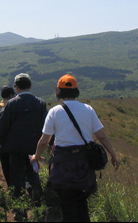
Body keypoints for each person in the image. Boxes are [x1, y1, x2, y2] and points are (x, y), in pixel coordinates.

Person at [30, 74, 120, 222]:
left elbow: (44, 142)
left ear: (58, 91)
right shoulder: (88, 109)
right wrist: (114, 156)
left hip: (62, 166)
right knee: (82, 203)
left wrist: (36, 156)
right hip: (84, 165)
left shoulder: (54, 111)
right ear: (76, 91)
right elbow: (102, 136)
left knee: (68, 206)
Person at [0, 73, 47, 205]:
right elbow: (47, 126)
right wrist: (50, 143)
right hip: (34, 147)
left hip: (15, 148)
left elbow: (3, 125)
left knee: (17, 177)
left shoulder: (12, 104)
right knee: (33, 173)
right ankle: (37, 199)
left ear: (16, 87)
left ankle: (19, 205)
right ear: (30, 85)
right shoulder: (40, 103)